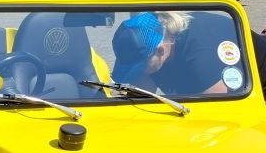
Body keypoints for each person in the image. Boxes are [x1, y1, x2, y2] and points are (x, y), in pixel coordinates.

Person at [112, 10, 266, 97]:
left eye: (139, 66)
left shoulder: (202, 59)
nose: (138, 73)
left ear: (161, 51)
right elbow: (140, 95)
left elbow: (215, 116)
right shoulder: (157, 44)